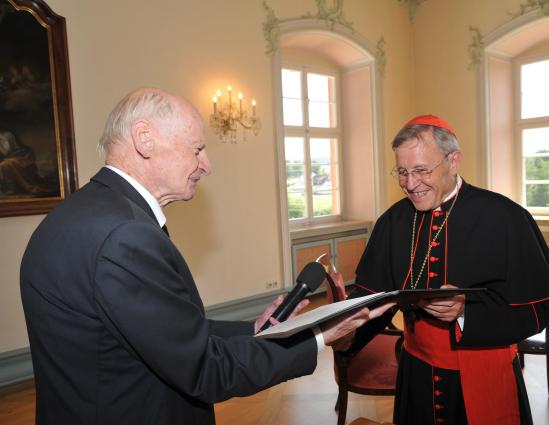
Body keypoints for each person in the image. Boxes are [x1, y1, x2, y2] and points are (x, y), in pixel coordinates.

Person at [20, 87, 393, 425]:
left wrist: (255, 331)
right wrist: (318, 336)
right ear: (145, 139)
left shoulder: (79, 213)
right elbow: (205, 370)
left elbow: (166, 332)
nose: (207, 165)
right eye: (197, 149)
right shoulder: (125, 236)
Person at [331, 115, 549, 425]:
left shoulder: (505, 217)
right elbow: (374, 296)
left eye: (421, 170)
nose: (410, 184)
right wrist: (347, 332)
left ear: (453, 161)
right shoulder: (393, 221)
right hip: (417, 374)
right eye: (402, 172)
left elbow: (538, 310)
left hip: (486, 373)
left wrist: (467, 313)